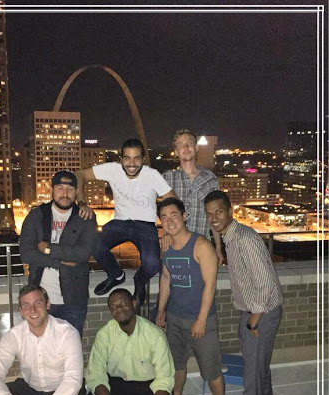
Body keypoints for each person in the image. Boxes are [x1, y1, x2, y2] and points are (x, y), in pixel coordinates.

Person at [204, 190, 283, 395]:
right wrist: (216, 240)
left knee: (252, 379)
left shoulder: (246, 239)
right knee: (259, 369)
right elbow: (218, 233)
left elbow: (265, 284)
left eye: (219, 212)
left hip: (260, 314)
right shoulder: (230, 235)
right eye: (209, 214)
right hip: (254, 312)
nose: (214, 218)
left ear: (230, 211)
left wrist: (253, 321)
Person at [156, 197, 230, 395]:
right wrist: (161, 310)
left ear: (184, 216)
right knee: (177, 364)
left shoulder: (201, 246)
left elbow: (210, 286)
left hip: (201, 320)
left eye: (174, 215)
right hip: (175, 317)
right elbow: (166, 277)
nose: (170, 221)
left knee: (211, 370)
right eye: (164, 217)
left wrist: (201, 319)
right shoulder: (166, 245)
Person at [76, 139, 176, 310]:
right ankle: (116, 275)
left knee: (152, 264)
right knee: (93, 242)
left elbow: (172, 200)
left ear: (143, 159)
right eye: (127, 158)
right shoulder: (112, 169)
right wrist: (82, 202)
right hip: (120, 222)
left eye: (137, 158)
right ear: (121, 159)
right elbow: (80, 174)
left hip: (145, 225)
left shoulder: (152, 175)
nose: (132, 163)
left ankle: (140, 280)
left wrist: (168, 230)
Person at [85, 288, 179, 395]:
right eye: (113, 307)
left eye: (123, 303)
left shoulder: (154, 335)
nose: (118, 309)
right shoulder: (104, 335)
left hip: (148, 383)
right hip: (118, 381)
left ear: (134, 303)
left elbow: (164, 378)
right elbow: (96, 376)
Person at [19, 170, 97, 335]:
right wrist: (59, 262)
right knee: (41, 345)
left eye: (70, 189)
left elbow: (83, 253)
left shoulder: (85, 217)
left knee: (72, 344)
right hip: (40, 299)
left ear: (76, 191)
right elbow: (26, 253)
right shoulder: (37, 215)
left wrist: (49, 249)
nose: (65, 194)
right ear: (52, 190)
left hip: (74, 298)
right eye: (60, 188)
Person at [162, 129, 223, 263]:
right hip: (175, 245)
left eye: (189, 143)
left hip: (203, 246)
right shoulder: (167, 178)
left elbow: (214, 215)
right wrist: (165, 233)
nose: (185, 148)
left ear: (196, 148)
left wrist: (218, 247)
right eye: (180, 145)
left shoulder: (210, 179)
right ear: (176, 152)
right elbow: (163, 213)